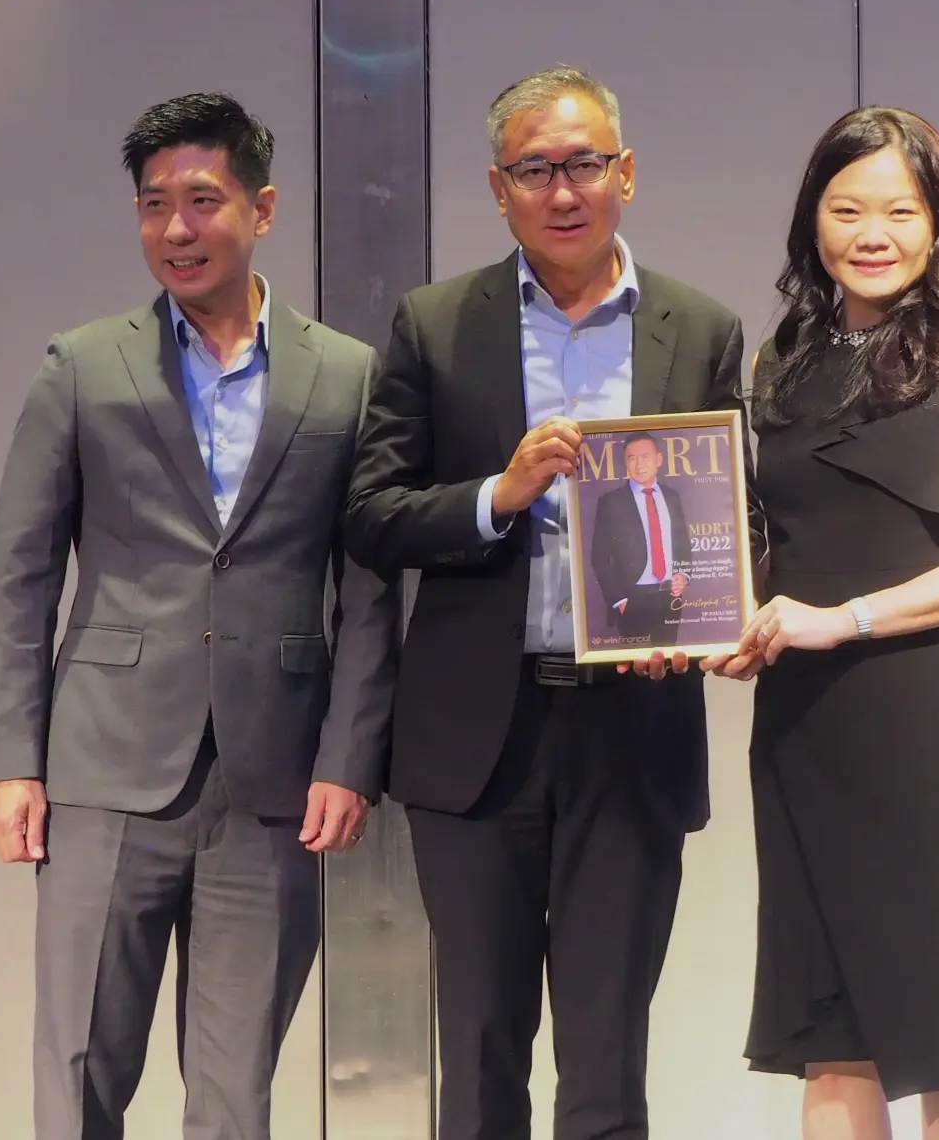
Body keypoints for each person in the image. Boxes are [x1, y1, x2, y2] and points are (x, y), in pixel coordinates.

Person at [0, 92, 401, 1140]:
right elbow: (23, 570)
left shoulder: (344, 375)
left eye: (202, 200)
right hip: (104, 770)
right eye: (154, 204)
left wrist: (349, 757)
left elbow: (371, 589)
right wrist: (10, 759)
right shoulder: (83, 365)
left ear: (263, 207)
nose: (176, 227)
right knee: (80, 1071)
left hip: (273, 779)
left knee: (237, 1093)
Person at [345, 66, 747, 1140]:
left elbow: (733, 518)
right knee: (480, 1056)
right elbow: (373, 516)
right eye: (535, 169)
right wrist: (498, 494)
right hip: (480, 735)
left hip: (633, 730)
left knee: (608, 1063)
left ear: (627, 174)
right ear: (498, 188)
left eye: (584, 164)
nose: (563, 190)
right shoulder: (436, 324)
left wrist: (700, 627)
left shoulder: (701, 327)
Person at [706, 106, 939, 1140]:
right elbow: (772, 539)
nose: (873, 233)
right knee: (830, 1033)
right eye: (847, 209)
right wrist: (736, 617)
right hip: (806, 727)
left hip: (933, 727)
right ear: (814, 221)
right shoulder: (780, 365)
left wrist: (841, 620)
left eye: (900, 211)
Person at [590, 432, 690, 643]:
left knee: (669, 658)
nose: (638, 464)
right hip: (632, 598)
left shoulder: (672, 497)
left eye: (645, 457)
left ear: (659, 459)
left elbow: (682, 542)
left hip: (669, 596)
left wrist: (683, 574)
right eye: (632, 458)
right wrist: (619, 600)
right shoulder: (611, 502)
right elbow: (599, 557)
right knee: (634, 663)